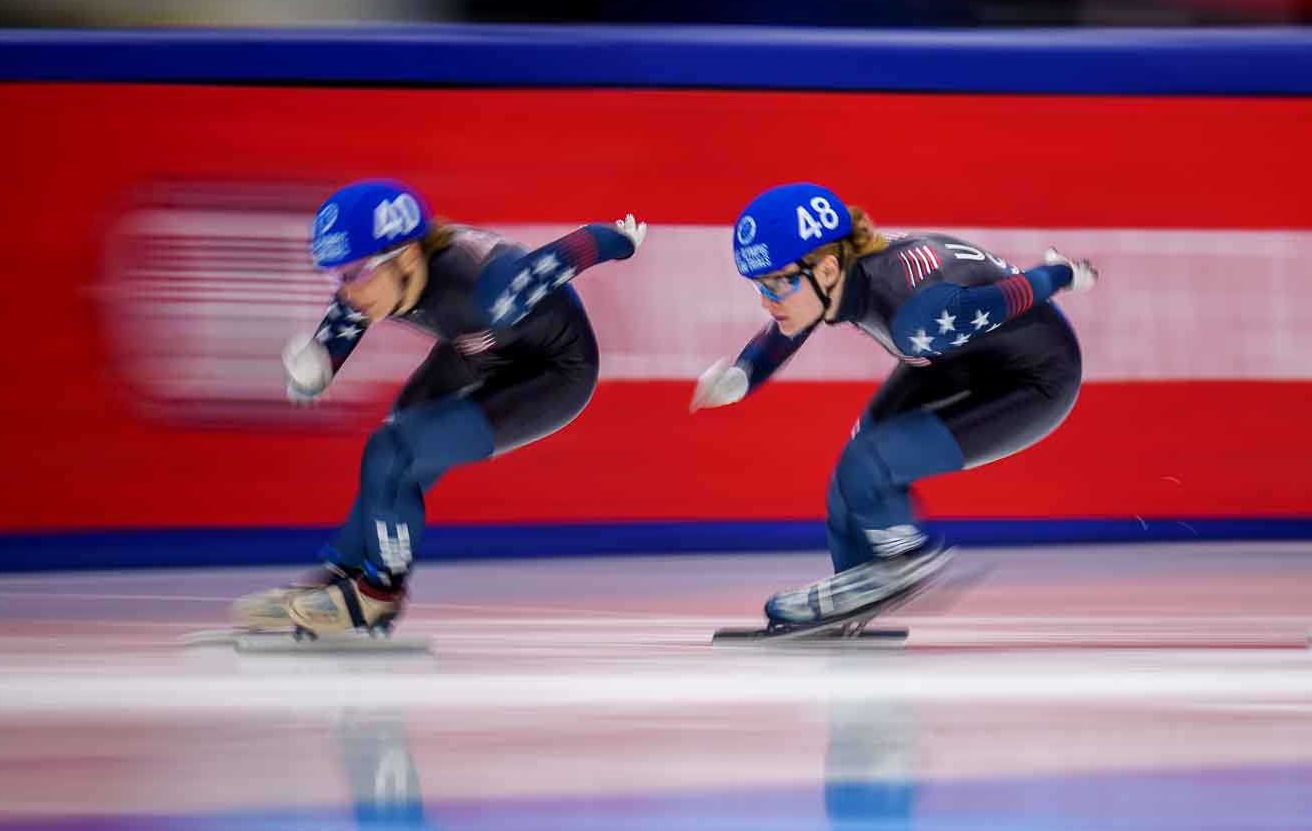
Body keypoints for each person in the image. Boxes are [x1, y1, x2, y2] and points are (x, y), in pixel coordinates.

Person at [233, 178, 643, 636]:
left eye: (354, 275)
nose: (346, 292)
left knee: (396, 448)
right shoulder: (382, 279)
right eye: (336, 277)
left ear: (406, 257)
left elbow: (562, 257)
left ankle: (378, 596)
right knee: (397, 436)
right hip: (476, 348)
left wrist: (619, 239)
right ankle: (342, 575)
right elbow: (338, 330)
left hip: (552, 372)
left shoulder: (488, 286)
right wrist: (315, 369)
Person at [690, 182, 1096, 627]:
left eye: (776, 285)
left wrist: (1060, 274)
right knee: (855, 460)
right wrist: (743, 374)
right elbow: (792, 323)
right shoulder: (844, 276)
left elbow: (1008, 296)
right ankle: (854, 588)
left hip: (1036, 379)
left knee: (869, 462)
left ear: (826, 271)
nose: (768, 303)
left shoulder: (912, 311)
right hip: (964, 355)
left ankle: (902, 557)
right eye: (759, 287)